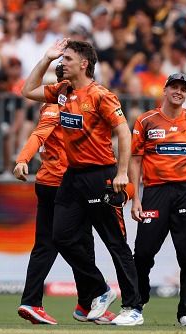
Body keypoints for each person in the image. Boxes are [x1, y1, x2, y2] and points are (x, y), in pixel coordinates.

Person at [21, 39, 144, 326]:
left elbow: (124, 133)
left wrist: (122, 173)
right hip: (72, 177)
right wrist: (46, 59)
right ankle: (100, 290)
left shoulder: (101, 95)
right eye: (61, 58)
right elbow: (27, 91)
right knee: (61, 237)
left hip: (101, 176)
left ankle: (134, 308)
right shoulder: (63, 91)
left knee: (115, 242)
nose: (61, 63)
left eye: (66, 58)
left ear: (84, 64)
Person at [14, 62, 116, 325]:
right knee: (76, 244)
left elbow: (39, 134)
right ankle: (90, 300)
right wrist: (22, 159)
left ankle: (39, 301)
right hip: (65, 184)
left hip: (51, 182)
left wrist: (23, 160)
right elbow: (39, 135)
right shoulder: (59, 106)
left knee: (49, 244)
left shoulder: (55, 105)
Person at [129, 73, 186, 327]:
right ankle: (137, 303)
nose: (179, 92)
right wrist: (135, 197)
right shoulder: (146, 121)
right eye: (174, 87)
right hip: (155, 192)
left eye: (184, 89)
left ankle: (185, 312)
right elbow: (135, 159)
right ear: (164, 90)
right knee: (143, 253)